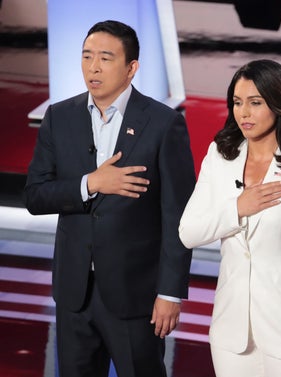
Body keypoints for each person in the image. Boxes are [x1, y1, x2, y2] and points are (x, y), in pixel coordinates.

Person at [24, 20, 196, 376]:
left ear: (131, 68)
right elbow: (35, 195)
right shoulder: (59, 117)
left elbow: (178, 217)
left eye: (105, 57)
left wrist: (170, 293)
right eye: (87, 56)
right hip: (74, 295)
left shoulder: (163, 124)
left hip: (136, 297)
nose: (93, 67)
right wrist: (90, 183)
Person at [178, 59, 281, 377]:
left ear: (279, 104)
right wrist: (237, 208)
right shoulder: (220, 157)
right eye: (237, 103)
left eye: (255, 103)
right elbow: (188, 232)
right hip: (231, 332)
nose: (244, 113)